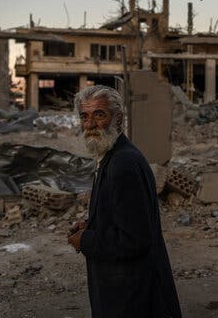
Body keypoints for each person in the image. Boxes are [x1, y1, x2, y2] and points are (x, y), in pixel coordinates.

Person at [67, 85, 182, 318]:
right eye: (84, 116)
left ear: (118, 119)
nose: (90, 125)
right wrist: (92, 225)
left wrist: (86, 240)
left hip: (130, 296)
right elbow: (125, 218)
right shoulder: (112, 155)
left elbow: (134, 240)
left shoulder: (123, 164)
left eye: (99, 115)